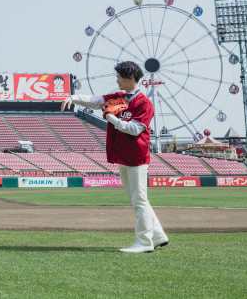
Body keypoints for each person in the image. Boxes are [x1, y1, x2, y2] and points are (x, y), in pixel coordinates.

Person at [61, 61, 169, 253]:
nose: (116, 80)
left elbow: (135, 129)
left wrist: (111, 118)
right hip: (122, 155)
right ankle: (159, 235)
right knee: (137, 199)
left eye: (119, 77)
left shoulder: (143, 102)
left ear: (131, 78)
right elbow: (96, 100)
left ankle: (144, 241)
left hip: (136, 157)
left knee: (139, 200)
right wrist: (73, 97)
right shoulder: (119, 97)